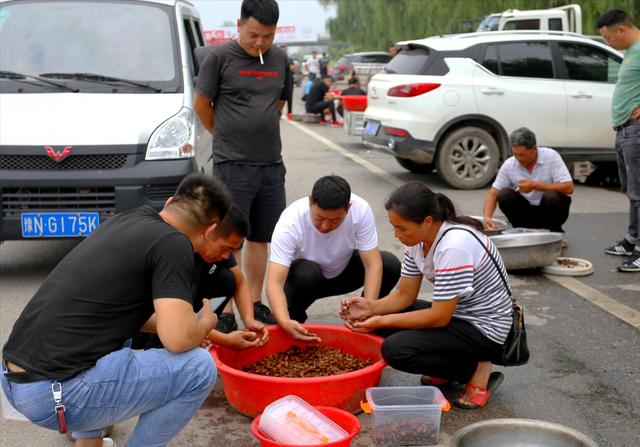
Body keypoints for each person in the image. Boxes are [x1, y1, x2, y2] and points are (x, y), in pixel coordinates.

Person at [2, 173, 231, 446]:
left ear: (170, 202)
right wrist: (204, 323)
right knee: (199, 368)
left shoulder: (129, 218)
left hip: (15, 380)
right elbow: (178, 339)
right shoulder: (174, 243)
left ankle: (90, 442)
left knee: (117, 333)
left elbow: (122, 313)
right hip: (55, 393)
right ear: (210, 230)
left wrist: (191, 325)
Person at [340, 182, 513, 410]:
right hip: (456, 315)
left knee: (395, 350)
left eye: (402, 228)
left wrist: (382, 319)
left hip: (484, 329)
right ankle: (445, 367)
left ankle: (475, 369)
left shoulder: (454, 247)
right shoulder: (418, 240)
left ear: (428, 221)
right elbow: (404, 294)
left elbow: (439, 317)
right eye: (394, 226)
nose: (397, 234)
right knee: (372, 323)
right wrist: (370, 307)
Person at [194, 0, 292, 324]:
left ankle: (255, 300)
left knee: (263, 237)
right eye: (253, 35)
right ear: (239, 25)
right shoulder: (218, 58)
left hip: (270, 165)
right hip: (232, 164)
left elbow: (278, 103)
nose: (260, 43)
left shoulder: (280, 59)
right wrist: (224, 137)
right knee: (229, 240)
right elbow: (202, 104)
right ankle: (227, 309)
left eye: (268, 36)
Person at [267, 175, 401, 342]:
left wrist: (368, 308)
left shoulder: (361, 210)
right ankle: (293, 322)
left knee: (389, 264)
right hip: (306, 281)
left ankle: (369, 326)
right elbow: (275, 282)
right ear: (310, 202)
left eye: (335, 220)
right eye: (319, 218)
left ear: (348, 208)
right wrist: (284, 321)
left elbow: (373, 265)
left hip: (344, 273)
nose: (325, 226)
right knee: (305, 273)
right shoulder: (291, 221)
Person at [132, 206, 269, 343]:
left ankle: (205, 328)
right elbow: (178, 322)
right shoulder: (177, 253)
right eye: (226, 248)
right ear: (209, 232)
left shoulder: (215, 246)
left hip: (187, 305)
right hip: (150, 321)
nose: (227, 256)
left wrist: (249, 320)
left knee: (228, 279)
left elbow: (240, 281)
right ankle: (160, 344)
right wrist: (225, 340)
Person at [598, 9, 640, 272]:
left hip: (636, 131)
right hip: (624, 131)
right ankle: (632, 239)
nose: (607, 43)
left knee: (639, 193)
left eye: (607, 38)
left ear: (621, 30)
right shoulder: (630, 52)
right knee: (632, 191)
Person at [482, 127, 574, 234]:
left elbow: (569, 187)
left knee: (551, 196)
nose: (518, 158)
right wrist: (487, 217)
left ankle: (555, 231)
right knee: (504, 194)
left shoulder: (551, 156)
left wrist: (536, 185)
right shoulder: (509, 164)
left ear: (534, 149)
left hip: (550, 210)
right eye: (515, 154)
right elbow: (493, 194)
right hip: (525, 211)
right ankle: (520, 229)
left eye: (522, 154)